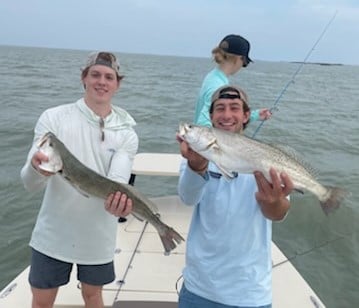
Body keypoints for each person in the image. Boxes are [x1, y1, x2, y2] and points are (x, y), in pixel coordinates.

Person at [20, 51, 138, 308]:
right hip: (52, 235)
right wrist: (36, 169)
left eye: (109, 77)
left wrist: (118, 203)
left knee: (93, 296)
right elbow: (28, 183)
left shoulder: (127, 132)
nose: (101, 82)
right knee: (41, 301)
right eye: (95, 74)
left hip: (98, 236)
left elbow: (117, 180)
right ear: (83, 78)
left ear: (118, 84)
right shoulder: (53, 119)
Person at [177, 85, 294, 308]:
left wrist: (273, 201)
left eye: (234, 108)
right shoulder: (197, 155)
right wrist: (196, 166)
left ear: (246, 115)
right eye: (219, 108)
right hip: (199, 287)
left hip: (250, 292)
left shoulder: (265, 156)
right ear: (211, 117)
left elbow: (278, 214)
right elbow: (187, 198)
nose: (227, 115)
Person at [194, 34, 272, 127]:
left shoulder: (212, 77)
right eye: (244, 63)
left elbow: (222, 116)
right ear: (239, 59)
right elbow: (203, 124)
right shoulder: (218, 87)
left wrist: (255, 115)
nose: (242, 66)